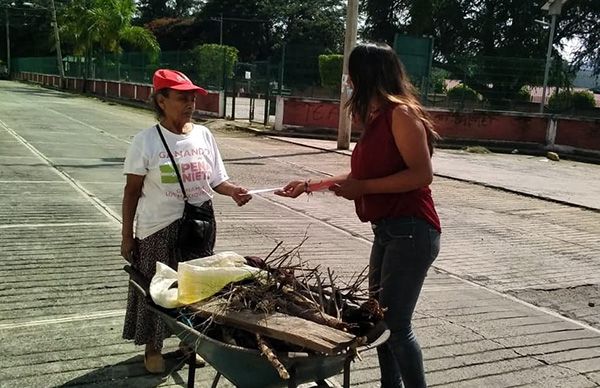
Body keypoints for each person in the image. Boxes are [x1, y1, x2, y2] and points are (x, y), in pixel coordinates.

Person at [276, 43, 441, 388]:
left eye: (351, 75)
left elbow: (420, 175)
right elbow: (360, 178)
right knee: (378, 322)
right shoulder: (378, 119)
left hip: (412, 230)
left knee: (396, 326)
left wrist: (364, 188)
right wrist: (309, 184)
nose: (348, 82)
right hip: (389, 231)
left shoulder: (401, 115)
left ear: (365, 76)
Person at [120, 69, 252, 374]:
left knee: (196, 287)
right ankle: (153, 348)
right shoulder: (146, 141)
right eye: (182, 97)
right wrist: (127, 236)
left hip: (199, 225)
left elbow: (217, 180)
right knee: (157, 289)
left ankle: (190, 343)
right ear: (161, 100)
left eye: (192, 97)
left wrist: (234, 192)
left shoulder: (204, 135)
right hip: (157, 229)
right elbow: (131, 193)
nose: (190, 103)